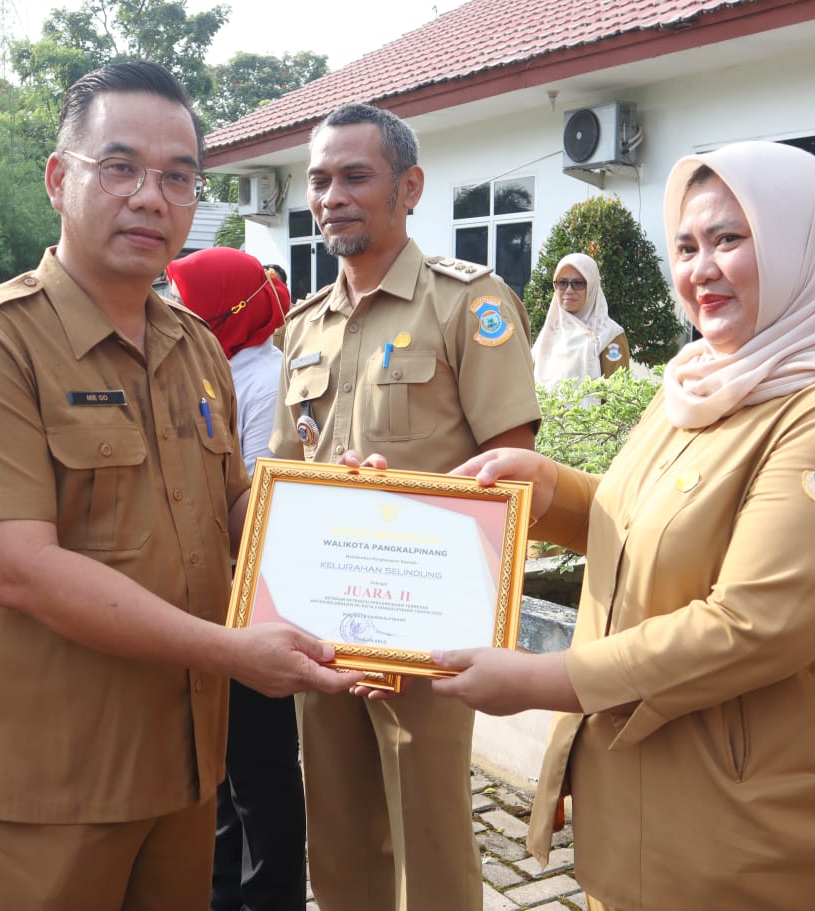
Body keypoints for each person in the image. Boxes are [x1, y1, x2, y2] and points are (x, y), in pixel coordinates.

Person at [426, 141, 815, 910]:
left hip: (754, 840)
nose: (699, 268)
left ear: (806, 245)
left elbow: (755, 621)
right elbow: (655, 523)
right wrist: (546, 486)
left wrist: (540, 679)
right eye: (686, 245)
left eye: (730, 238)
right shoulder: (701, 380)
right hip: (639, 805)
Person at [0, 61, 360, 911]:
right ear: (58, 178)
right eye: (118, 168)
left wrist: (323, 507)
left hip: (186, 755)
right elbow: (18, 568)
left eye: (178, 176)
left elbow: (232, 501)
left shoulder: (194, 345)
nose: (151, 198)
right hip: (59, 772)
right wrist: (231, 652)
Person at [269, 103, 542, 911]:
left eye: (355, 176)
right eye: (319, 179)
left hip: (429, 628)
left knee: (426, 830)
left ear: (408, 186)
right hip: (324, 625)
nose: (331, 196)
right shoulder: (303, 325)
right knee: (339, 826)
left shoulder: (466, 304)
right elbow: (289, 469)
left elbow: (511, 468)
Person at [164, 247, 304, 911]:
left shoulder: (263, 376)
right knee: (216, 768)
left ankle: (268, 896)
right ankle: (222, 893)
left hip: (249, 596)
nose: (173, 309)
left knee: (260, 770)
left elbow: (257, 491)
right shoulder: (205, 364)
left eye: (186, 298)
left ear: (229, 307)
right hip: (203, 596)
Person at [531, 253, 629, 392]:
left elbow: (617, 395)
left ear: (592, 286)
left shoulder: (609, 335)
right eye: (562, 283)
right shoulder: (549, 333)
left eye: (578, 283)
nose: (569, 290)